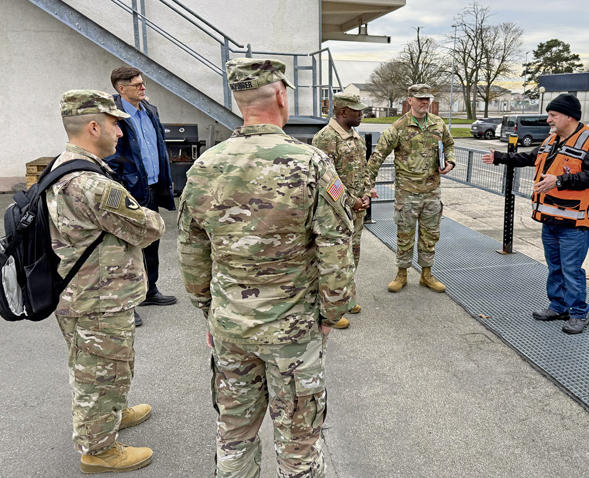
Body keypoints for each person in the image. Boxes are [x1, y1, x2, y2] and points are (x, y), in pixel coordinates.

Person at [177, 58, 355, 477]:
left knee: (233, 434)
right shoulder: (310, 163)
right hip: (292, 329)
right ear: (280, 95)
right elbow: (335, 246)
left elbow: (191, 248)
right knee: (298, 442)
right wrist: (331, 313)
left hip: (230, 324)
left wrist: (209, 310)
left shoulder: (205, 166)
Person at [48, 90, 166, 472]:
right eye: (115, 124)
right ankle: (98, 451)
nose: (120, 132)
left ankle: (113, 412)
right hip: (98, 297)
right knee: (100, 372)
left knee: (98, 365)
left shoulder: (61, 166)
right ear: (93, 127)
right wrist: (153, 217)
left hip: (79, 290)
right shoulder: (93, 184)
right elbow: (148, 227)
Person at [482, 93, 589, 335]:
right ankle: (559, 306)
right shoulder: (552, 140)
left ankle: (580, 313)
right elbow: (530, 158)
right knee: (555, 267)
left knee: (572, 270)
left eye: (553, 115)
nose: (548, 120)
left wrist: (558, 181)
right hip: (550, 220)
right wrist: (500, 157)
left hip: (575, 223)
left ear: (569, 117)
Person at [105, 67, 177, 326]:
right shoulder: (113, 115)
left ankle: (149, 290)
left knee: (150, 240)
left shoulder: (149, 110)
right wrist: (122, 184)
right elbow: (111, 155)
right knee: (126, 246)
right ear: (121, 88)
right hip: (130, 188)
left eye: (143, 83)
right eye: (137, 85)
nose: (143, 88)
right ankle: (127, 302)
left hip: (153, 186)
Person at [366, 84, 455, 294]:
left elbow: (449, 145)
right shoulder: (398, 128)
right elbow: (377, 156)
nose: (425, 102)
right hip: (407, 194)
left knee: (430, 235)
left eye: (427, 98)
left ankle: (427, 274)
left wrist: (450, 161)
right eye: (420, 98)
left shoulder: (438, 124)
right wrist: (368, 185)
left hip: (432, 192)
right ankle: (401, 273)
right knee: (405, 235)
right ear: (410, 100)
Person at [312, 92, 369, 329]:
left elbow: (364, 169)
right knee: (333, 262)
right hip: (334, 214)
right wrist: (351, 201)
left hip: (356, 211)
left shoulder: (356, 137)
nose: (362, 114)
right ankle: (329, 309)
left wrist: (366, 194)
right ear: (343, 112)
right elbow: (327, 181)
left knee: (352, 256)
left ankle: (345, 299)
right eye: (357, 110)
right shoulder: (326, 138)